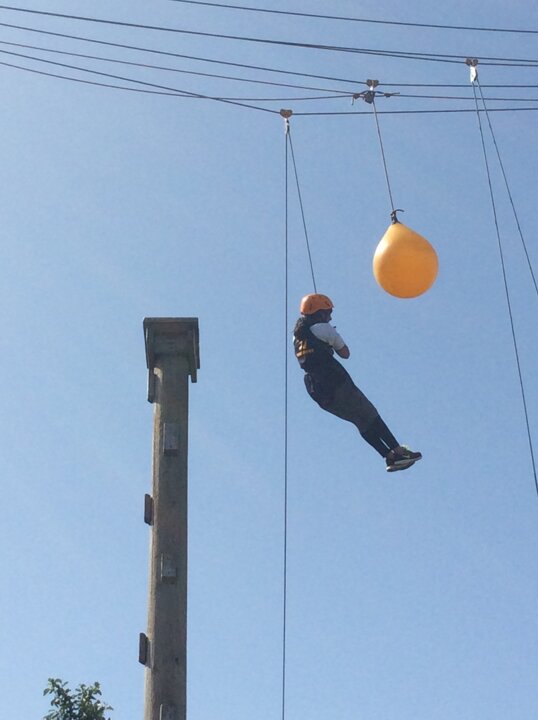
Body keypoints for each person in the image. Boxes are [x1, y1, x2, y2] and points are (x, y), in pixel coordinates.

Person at [293, 293, 422, 472]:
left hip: (317, 391)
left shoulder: (297, 337)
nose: (330, 317)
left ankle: (388, 456)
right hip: (334, 381)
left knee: (359, 420)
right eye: (328, 313)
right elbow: (345, 353)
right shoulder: (325, 329)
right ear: (320, 313)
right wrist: (332, 337)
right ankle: (398, 451)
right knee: (369, 413)